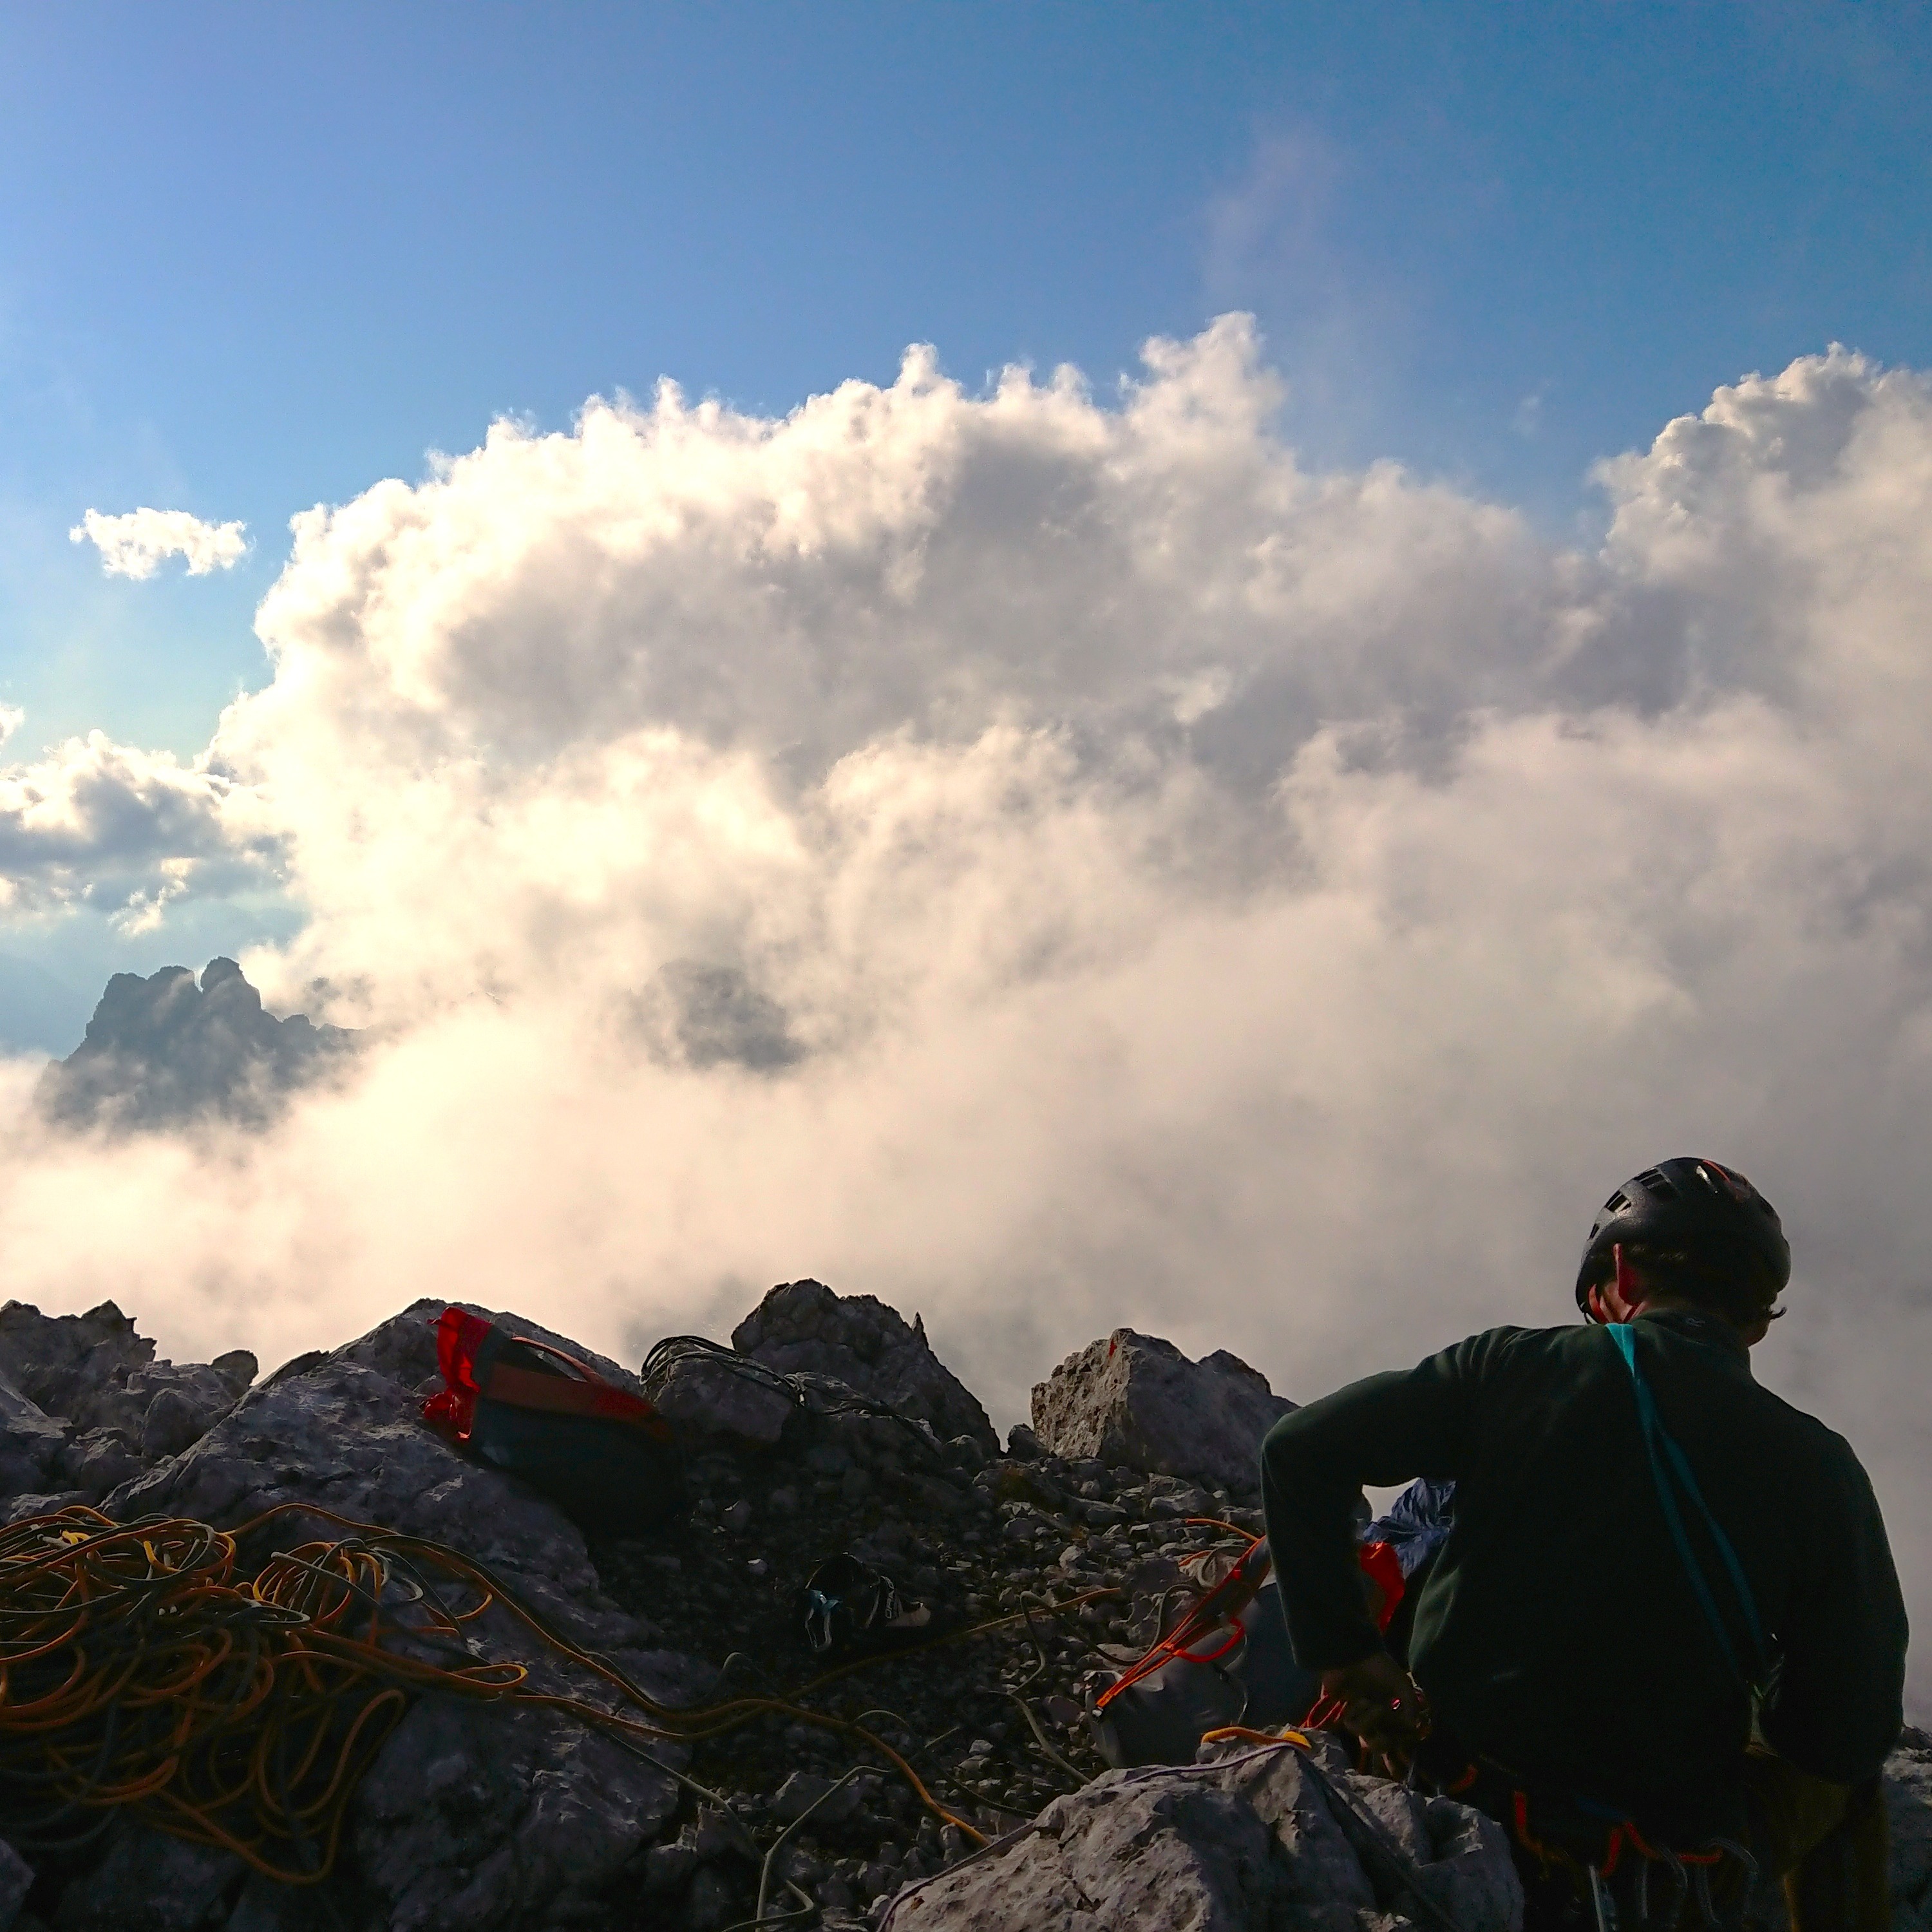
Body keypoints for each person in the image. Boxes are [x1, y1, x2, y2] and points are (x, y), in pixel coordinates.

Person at [1260, 1157, 1907, 1928]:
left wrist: (1347, 1650)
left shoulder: (1511, 1365)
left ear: (1622, 1275)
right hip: (1658, 1862)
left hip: (1451, 1781)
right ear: (1759, 1319)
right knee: (1856, 1783)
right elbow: (1847, 1733)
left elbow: (1298, 1450)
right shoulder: (1822, 1469)